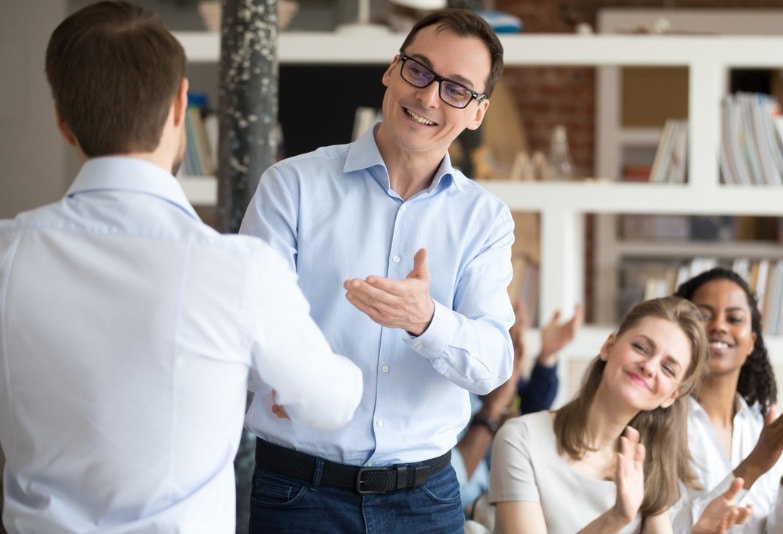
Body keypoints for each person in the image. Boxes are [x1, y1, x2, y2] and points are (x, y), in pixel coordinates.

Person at [0, 2, 363, 532]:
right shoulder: (240, 271)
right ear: (178, 107)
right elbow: (332, 405)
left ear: (62, 118)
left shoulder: (9, 256)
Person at [239, 8, 513, 532]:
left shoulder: (485, 220)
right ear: (392, 69)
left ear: (478, 112)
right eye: (419, 71)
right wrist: (288, 377)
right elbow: (247, 334)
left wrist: (427, 320)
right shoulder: (292, 186)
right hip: (299, 492)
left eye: (457, 89)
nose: (429, 97)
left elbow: (494, 362)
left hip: (426, 500)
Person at [489, 296, 754, 533]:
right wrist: (616, 517)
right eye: (641, 347)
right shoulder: (522, 438)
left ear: (671, 396)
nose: (649, 367)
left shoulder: (646, 462)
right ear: (609, 346)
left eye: (668, 369)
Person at [670, 267, 783, 533]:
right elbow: (670, 527)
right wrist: (753, 466)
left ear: (751, 342)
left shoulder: (758, 427)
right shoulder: (661, 423)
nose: (718, 326)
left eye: (734, 318)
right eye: (704, 316)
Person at [452, 302, 583, 517]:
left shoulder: (495, 380)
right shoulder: (459, 385)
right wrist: (494, 408)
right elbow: (455, 480)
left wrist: (546, 357)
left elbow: (529, 410)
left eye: (515, 335)